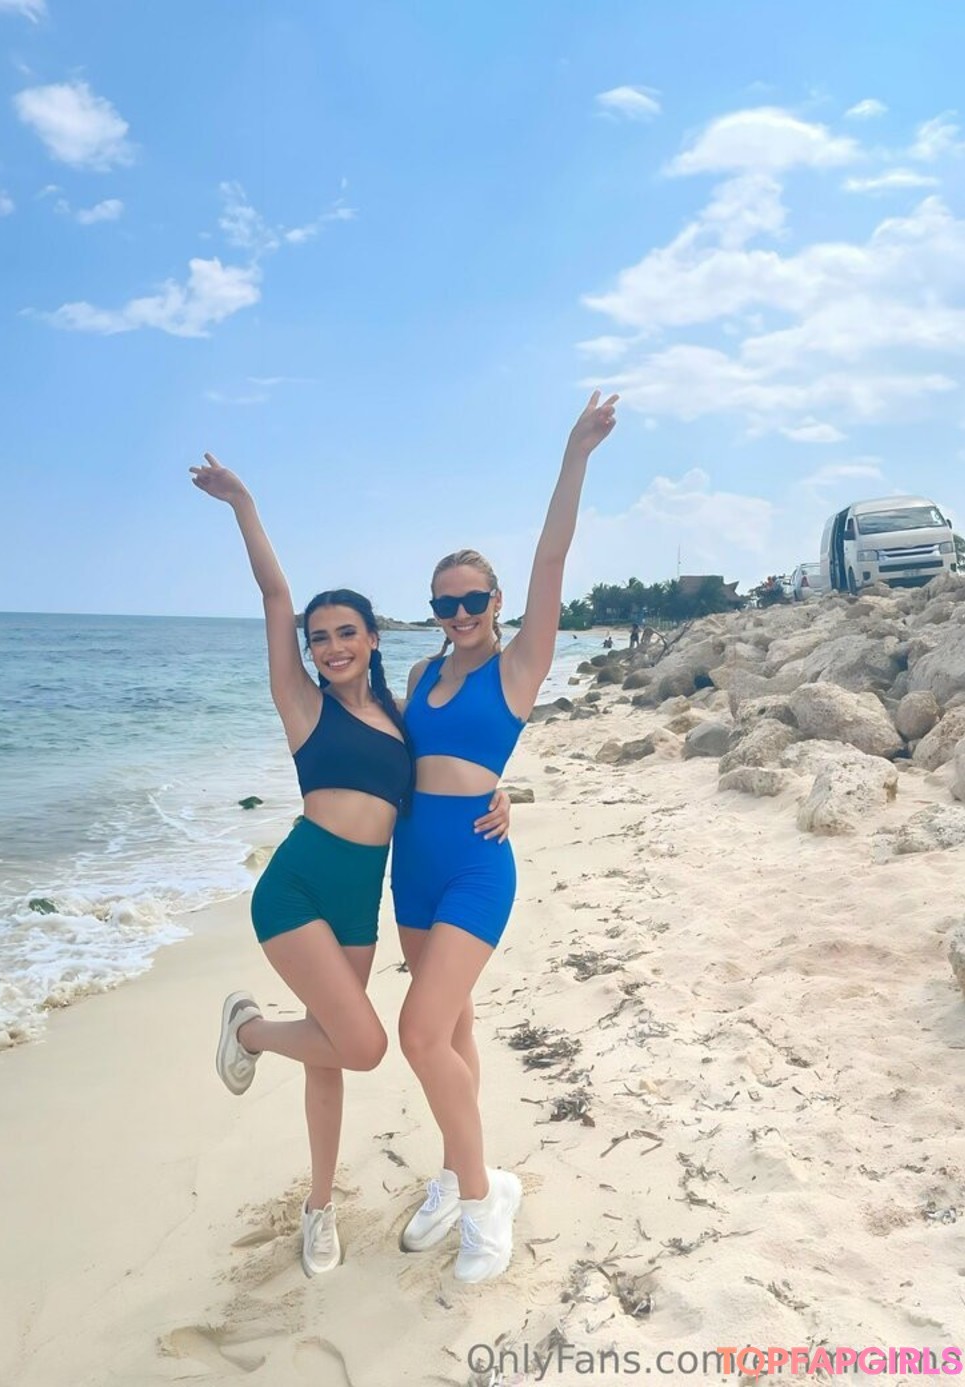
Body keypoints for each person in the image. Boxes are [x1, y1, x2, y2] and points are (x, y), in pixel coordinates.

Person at [190, 454, 511, 1278]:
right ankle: (249, 1032)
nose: (331, 647)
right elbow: (274, 597)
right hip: (297, 888)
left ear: (373, 637)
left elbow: (451, 766)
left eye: (345, 632)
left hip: (363, 902)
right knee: (360, 1045)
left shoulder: (404, 713)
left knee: (329, 1049)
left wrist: (506, 795)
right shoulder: (302, 705)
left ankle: (318, 1205)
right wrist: (243, 503)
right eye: (319, 637)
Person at [391, 390, 619, 1283]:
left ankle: (487, 1199)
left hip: (477, 867)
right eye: (445, 601)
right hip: (412, 865)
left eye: (474, 598)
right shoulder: (419, 669)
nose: (460, 612)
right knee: (451, 1027)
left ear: (495, 601)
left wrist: (576, 454)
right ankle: (457, 1170)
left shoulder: (521, 664)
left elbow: (552, 556)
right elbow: (390, 759)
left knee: (418, 1032)